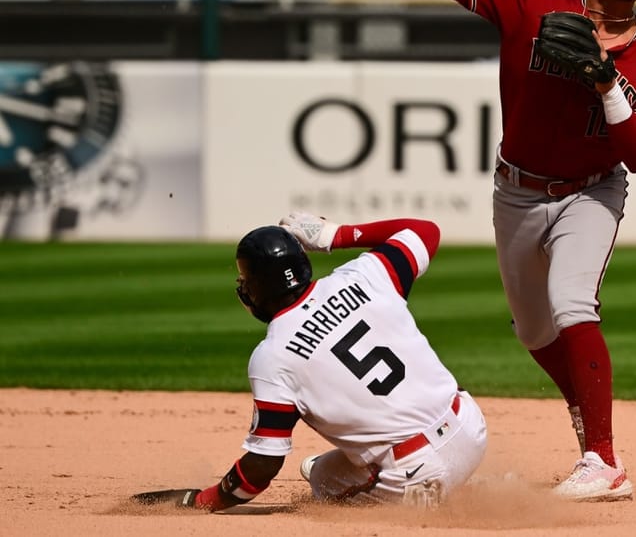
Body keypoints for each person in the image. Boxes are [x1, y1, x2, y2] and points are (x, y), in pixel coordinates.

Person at [374, 0, 636, 501]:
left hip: (591, 191)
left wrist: (605, 82)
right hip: (515, 187)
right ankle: (584, 416)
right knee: (534, 330)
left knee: (572, 306)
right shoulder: (532, 4)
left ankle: (604, 460)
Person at [133, 213, 488, 510]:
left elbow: (262, 466)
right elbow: (425, 231)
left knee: (323, 486)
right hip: (470, 427)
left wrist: (203, 500)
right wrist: (335, 234)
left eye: (245, 279)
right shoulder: (364, 275)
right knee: (324, 468)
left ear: (256, 290)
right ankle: (464, 480)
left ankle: (436, 492)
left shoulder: (273, 356)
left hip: (418, 477)